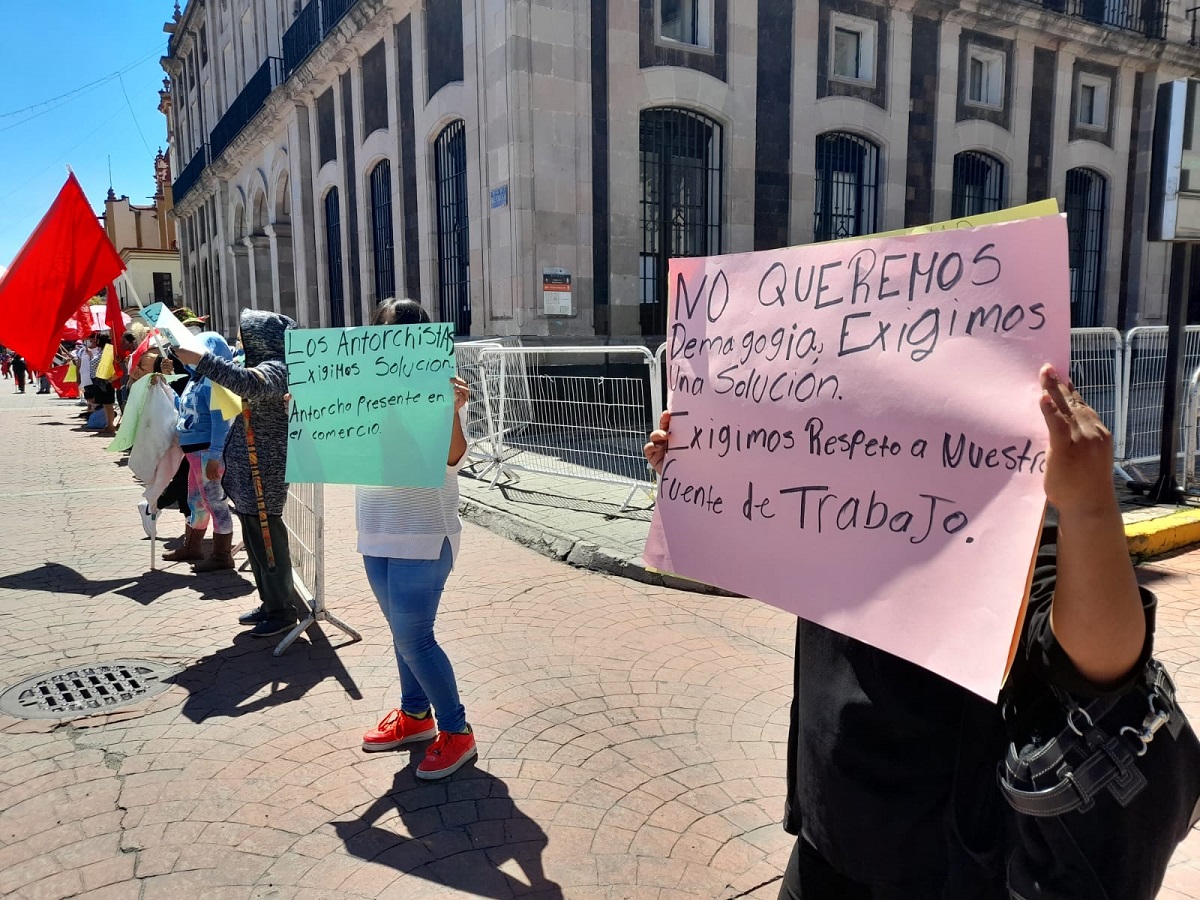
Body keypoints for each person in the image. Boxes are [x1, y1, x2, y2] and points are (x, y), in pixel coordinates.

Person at [643, 365, 1152, 899]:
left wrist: (1089, 506)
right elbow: (765, 546)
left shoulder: (1002, 467)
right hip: (824, 823)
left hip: (937, 854)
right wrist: (701, 474)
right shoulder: (824, 443)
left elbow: (1102, 662)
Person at [355, 299, 477, 781]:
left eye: (406, 335)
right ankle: (415, 716)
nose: (394, 343)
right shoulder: (358, 383)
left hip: (424, 531)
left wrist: (450, 410)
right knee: (402, 634)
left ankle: (456, 730)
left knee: (414, 636)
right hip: (376, 526)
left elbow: (453, 459)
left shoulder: (439, 384)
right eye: (386, 333)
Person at [172, 310, 303, 638]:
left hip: (264, 477)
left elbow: (250, 384)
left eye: (246, 336)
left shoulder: (277, 369)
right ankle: (270, 602)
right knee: (256, 543)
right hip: (249, 477)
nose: (240, 342)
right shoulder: (262, 366)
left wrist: (203, 361)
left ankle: (282, 609)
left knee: (267, 542)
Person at [162, 332, 236, 571]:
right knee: (196, 501)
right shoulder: (196, 380)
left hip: (206, 453)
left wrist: (215, 456)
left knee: (215, 503)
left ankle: (222, 556)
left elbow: (221, 423)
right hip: (194, 454)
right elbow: (185, 410)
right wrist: (165, 389)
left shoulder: (215, 383)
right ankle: (192, 546)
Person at [89, 333, 118, 435]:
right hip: (100, 380)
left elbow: (96, 363)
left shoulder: (107, 350)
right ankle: (109, 425)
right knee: (105, 404)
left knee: (108, 403)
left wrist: (90, 356)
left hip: (105, 380)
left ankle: (110, 425)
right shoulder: (103, 350)